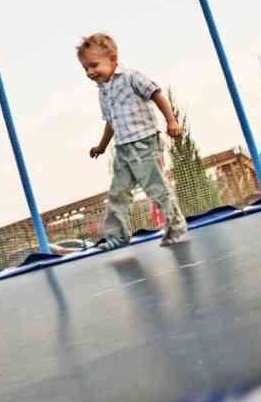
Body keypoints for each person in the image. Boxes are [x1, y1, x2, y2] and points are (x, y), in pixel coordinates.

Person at [78, 33, 190, 249]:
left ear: (112, 59)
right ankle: (118, 236)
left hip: (144, 143)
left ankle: (175, 225)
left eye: (94, 65)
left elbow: (156, 94)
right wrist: (101, 147)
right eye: (86, 69)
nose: (90, 72)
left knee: (156, 188)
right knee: (117, 194)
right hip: (123, 150)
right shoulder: (103, 92)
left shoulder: (131, 77)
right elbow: (111, 122)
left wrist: (171, 121)